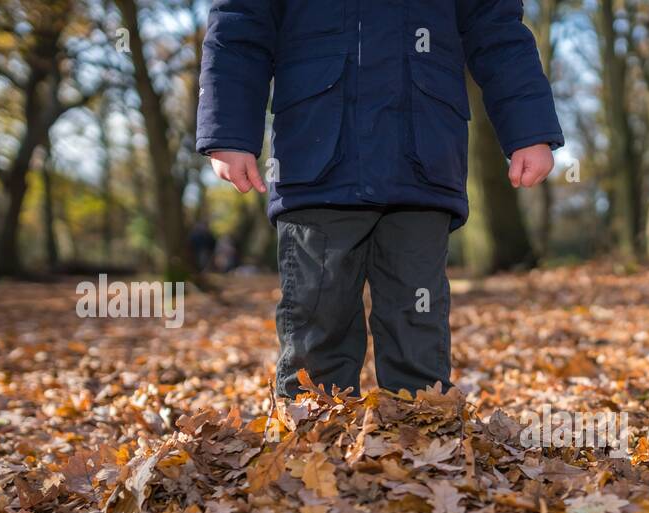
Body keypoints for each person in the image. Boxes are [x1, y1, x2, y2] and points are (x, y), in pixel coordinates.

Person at [195, 1, 562, 398]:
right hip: (316, 158)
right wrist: (228, 131)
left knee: (417, 327)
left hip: (421, 162)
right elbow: (239, 25)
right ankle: (310, 443)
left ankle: (424, 440)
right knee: (317, 322)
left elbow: (498, 32)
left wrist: (529, 130)